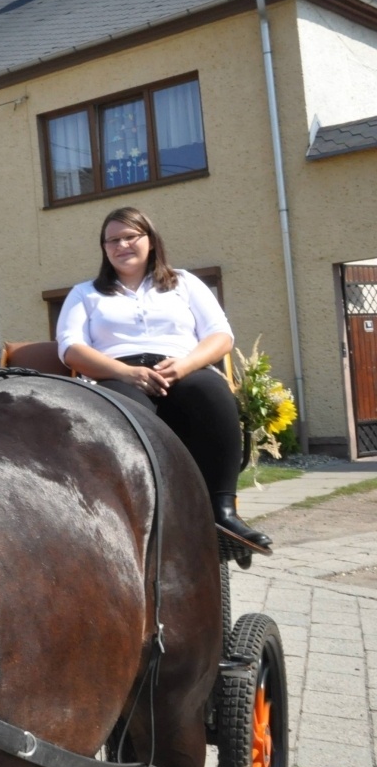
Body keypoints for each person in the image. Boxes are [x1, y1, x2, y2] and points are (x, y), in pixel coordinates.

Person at [55, 205, 271, 552]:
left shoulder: (184, 283)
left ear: (151, 241)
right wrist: (124, 372)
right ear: (104, 248)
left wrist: (185, 365)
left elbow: (220, 336)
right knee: (126, 415)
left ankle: (222, 513)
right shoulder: (86, 294)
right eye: (112, 240)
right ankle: (142, 517)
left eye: (130, 236)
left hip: (183, 367)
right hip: (118, 373)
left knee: (213, 393)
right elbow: (70, 348)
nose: (121, 245)